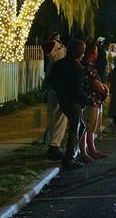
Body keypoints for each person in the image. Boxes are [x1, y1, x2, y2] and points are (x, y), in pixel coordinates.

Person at [43, 39, 89, 170]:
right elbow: (78, 90)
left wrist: (60, 90)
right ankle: (69, 158)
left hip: (62, 99)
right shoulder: (78, 68)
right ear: (79, 53)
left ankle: (67, 154)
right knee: (76, 129)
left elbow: (51, 81)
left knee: (71, 127)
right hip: (73, 102)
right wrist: (88, 99)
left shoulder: (60, 63)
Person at [80, 41, 109, 162]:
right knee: (87, 125)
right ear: (92, 52)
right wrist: (104, 89)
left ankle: (92, 149)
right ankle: (84, 151)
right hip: (90, 100)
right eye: (96, 50)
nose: (97, 52)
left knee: (91, 126)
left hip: (94, 100)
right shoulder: (87, 66)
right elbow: (94, 82)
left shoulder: (90, 65)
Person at [42, 32, 68, 160]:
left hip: (53, 87)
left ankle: (50, 141)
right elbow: (48, 46)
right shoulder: (57, 51)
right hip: (59, 88)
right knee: (58, 116)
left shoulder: (54, 55)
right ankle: (54, 145)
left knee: (54, 115)